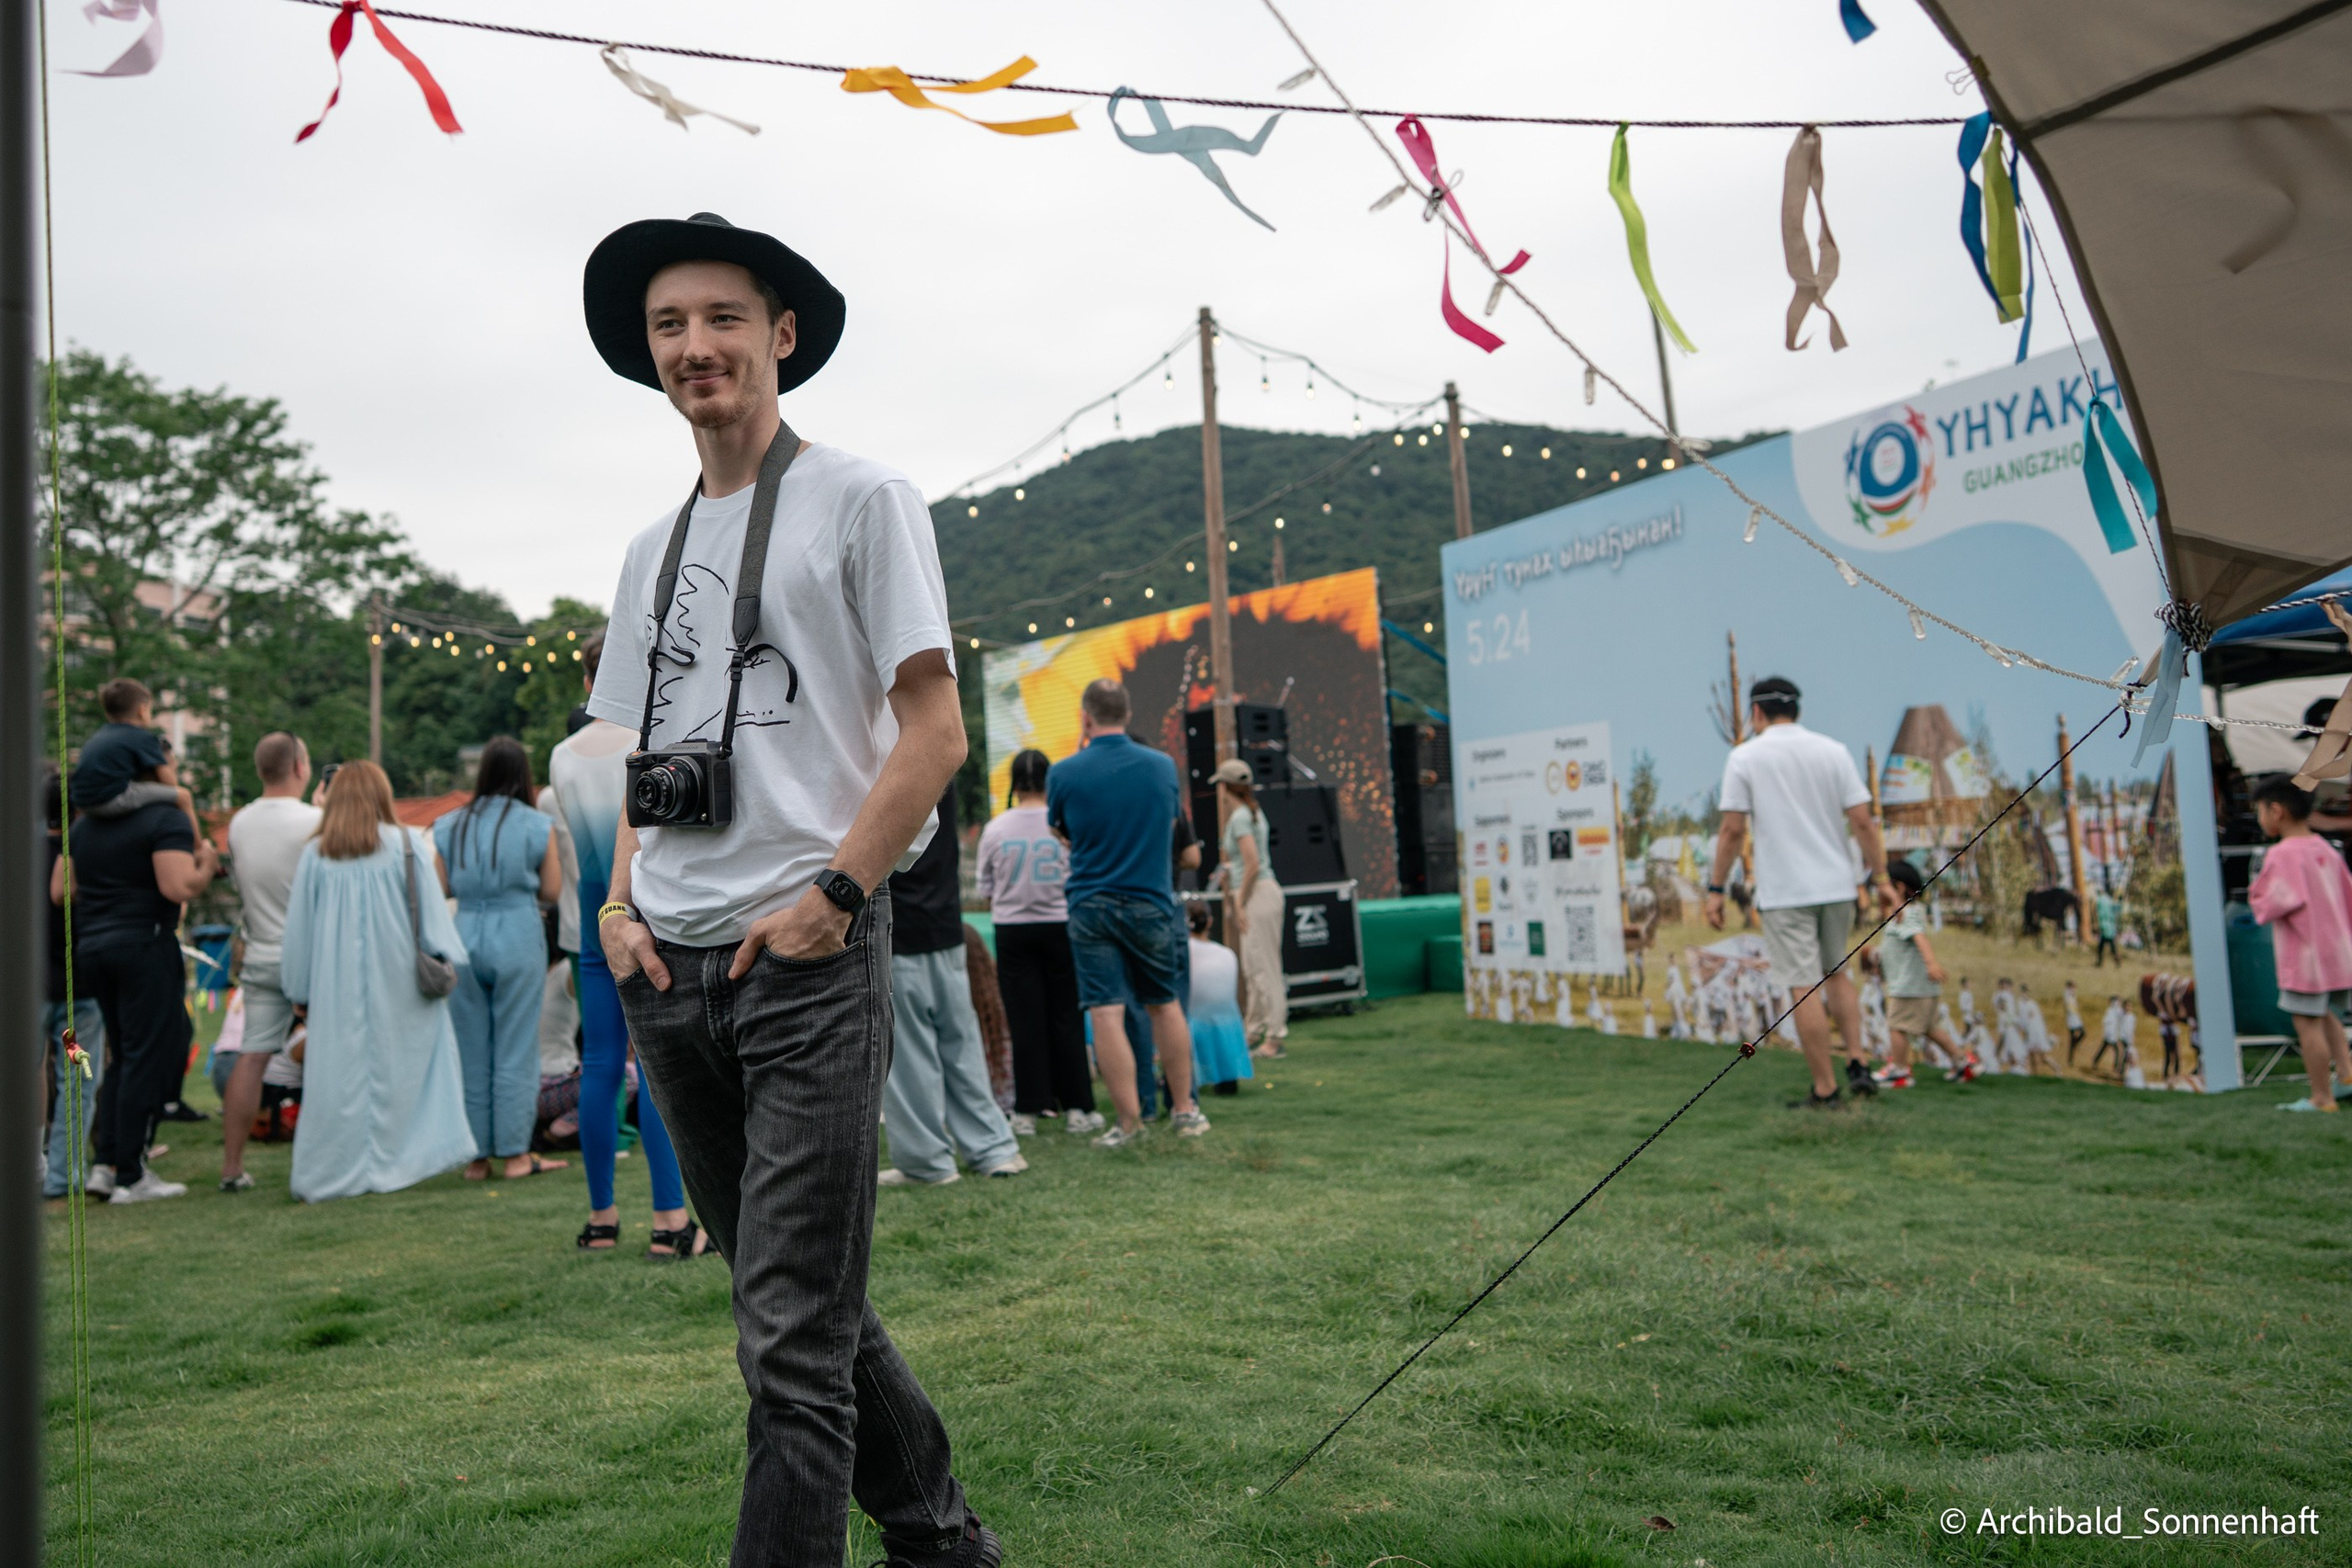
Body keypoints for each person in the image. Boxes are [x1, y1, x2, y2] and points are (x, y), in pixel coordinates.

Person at [582, 211, 995, 1568]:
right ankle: (941, 1540)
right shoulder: (648, 549)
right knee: (804, 1307)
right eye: (669, 326)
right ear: (650, 355)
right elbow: (648, 752)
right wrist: (621, 901)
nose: (696, 346)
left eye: (720, 318)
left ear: (780, 335)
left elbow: (934, 731)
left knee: (786, 1337)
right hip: (670, 967)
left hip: (805, 955)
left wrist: (833, 892)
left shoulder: (863, 499)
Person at [548, 633, 704, 1256]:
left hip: (590, 918)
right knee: (659, 1066)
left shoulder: (563, 755)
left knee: (602, 1066)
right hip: (646, 916)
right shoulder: (653, 739)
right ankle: (670, 1221)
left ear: (588, 681)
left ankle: (601, 1217)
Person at [281, 761, 478, 1201]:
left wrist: (298, 988)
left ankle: (337, 1165)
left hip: (335, 986)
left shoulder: (317, 855)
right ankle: (404, 1158)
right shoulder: (405, 845)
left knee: (339, 1078)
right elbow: (432, 922)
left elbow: (299, 933)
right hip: (402, 980)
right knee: (404, 1072)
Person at [1705, 676, 1885, 1109]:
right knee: (1838, 974)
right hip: (1837, 887)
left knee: (1803, 987)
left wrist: (1715, 888)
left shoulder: (1745, 757)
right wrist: (1880, 880)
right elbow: (1863, 822)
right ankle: (1858, 1063)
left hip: (1787, 892)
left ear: (1756, 713)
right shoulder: (1833, 751)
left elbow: (1732, 830)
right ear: (1798, 711)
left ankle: (1826, 1090)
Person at [1046, 678, 1210, 1148]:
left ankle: (1129, 1124)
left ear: (1085, 716)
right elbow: (1172, 824)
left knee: (1106, 1011)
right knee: (1164, 1004)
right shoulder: (1162, 767)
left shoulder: (1064, 772)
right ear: (1128, 712)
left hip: (1091, 904)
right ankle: (1185, 1109)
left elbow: (1063, 830)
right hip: (1151, 901)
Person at [61, 752, 215, 1202]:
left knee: (122, 1056)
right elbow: (177, 887)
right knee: (151, 1055)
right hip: (144, 944)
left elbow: (63, 889)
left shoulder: (84, 826)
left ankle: (106, 1165)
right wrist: (205, 863)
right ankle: (131, 1172)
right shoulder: (162, 820)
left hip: (93, 947)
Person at [435, 738, 567, 1181]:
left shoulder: (450, 824)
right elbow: (552, 890)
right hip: (517, 933)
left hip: (464, 933)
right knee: (516, 1046)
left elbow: (441, 888)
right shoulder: (535, 824)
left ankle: (476, 1158)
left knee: (471, 1050)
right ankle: (514, 1154)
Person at [878, 786, 1024, 1185]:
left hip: (901, 932)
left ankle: (926, 1161)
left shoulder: (884, 760)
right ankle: (994, 1149)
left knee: (910, 1057)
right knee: (962, 1046)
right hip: (945, 926)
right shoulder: (941, 761)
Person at [217, 732, 323, 1191]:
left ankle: (232, 1167)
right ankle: (324, 1159)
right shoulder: (315, 820)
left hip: (259, 953)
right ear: (300, 766)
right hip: (309, 955)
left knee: (252, 1056)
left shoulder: (239, 823)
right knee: (329, 1054)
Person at [975, 749, 1101, 1135]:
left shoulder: (996, 829)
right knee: (1067, 1014)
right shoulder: (1062, 825)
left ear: (1014, 782)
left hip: (1014, 930)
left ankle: (1027, 1109)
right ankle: (1078, 1106)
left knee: (1023, 1018)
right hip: (1061, 926)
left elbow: (986, 890)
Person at [2248, 777, 2352, 1112]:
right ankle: (2347, 1073)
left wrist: (2255, 892)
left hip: (2306, 958)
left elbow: (2269, 903)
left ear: (2276, 811)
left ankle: (2322, 1097)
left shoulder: (2281, 854)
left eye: (2260, 811)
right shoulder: (2327, 849)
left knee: (2306, 1024)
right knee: (2324, 1014)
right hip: (2337, 954)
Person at [40, 767, 106, 1200]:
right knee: (77, 1085)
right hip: (76, 991)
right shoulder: (86, 851)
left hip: (25, 988)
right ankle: (64, 1176)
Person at [1870, 858, 1970, 1089]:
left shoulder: (1906, 912)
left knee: (1897, 1026)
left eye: (1883, 886)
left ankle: (1899, 1071)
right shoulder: (1902, 914)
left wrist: (1932, 963)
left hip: (1908, 987)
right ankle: (1962, 1062)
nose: (1878, 892)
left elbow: (1919, 937)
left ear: (1900, 887)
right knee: (1930, 1028)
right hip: (1918, 986)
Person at [1210, 759, 1288, 1058]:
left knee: (1265, 969)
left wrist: (1239, 902)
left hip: (1258, 895)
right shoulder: (1250, 814)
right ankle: (1253, 1031)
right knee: (1255, 968)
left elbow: (1253, 863)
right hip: (1259, 893)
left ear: (1226, 787)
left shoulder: (1242, 817)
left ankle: (1274, 1038)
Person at [68, 677, 180, 818]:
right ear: (142, 709)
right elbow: (169, 782)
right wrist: (176, 792)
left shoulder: (100, 735)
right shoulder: (141, 736)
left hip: (81, 802)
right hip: (108, 800)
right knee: (184, 796)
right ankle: (198, 840)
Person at [1183, 901, 1252, 1091]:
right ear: (1210, 922)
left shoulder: (1182, 950)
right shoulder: (1227, 953)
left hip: (1194, 1018)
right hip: (1227, 1020)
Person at [2092, 885, 2122, 966]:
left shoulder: (2099, 901)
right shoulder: (2110, 900)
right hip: (2111, 926)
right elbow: (2117, 909)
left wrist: (2097, 924)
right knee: (2109, 945)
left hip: (2104, 925)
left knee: (2104, 945)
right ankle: (2114, 960)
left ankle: (2101, 962)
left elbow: (2098, 914)